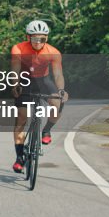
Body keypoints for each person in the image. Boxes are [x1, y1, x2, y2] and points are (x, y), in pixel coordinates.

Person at [10, 19, 67, 174]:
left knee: (58, 104)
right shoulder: (18, 49)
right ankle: (19, 157)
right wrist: (15, 84)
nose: (38, 42)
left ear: (46, 38)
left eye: (42, 38)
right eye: (34, 38)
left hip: (43, 81)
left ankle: (46, 130)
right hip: (24, 81)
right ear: (28, 37)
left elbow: (57, 74)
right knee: (21, 118)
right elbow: (15, 69)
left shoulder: (53, 52)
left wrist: (61, 90)